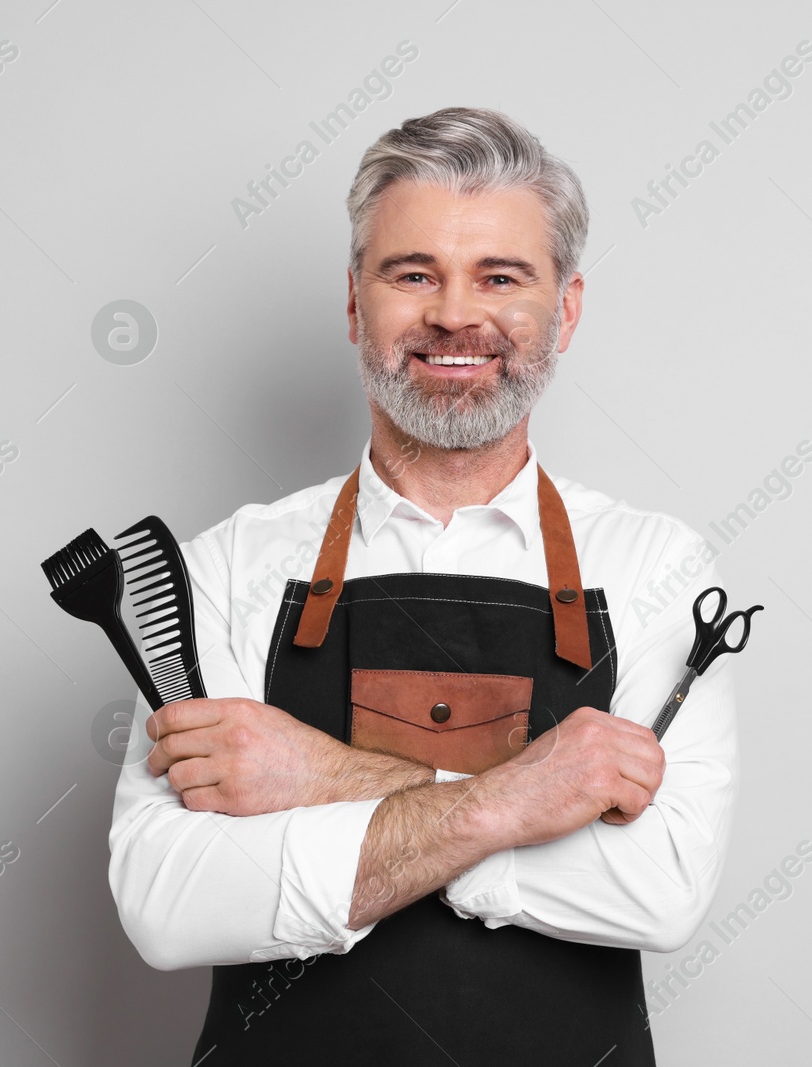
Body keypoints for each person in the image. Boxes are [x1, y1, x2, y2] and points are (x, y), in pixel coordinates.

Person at [106, 106, 738, 1067]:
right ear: (356, 304)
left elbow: (660, 885)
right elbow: (171, 900)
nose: (454, 314)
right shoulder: (228, 566)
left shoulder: (654, 568)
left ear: (563, 309)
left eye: (501, 276)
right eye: (413, 274)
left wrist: (320, 775)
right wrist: (523, 800)